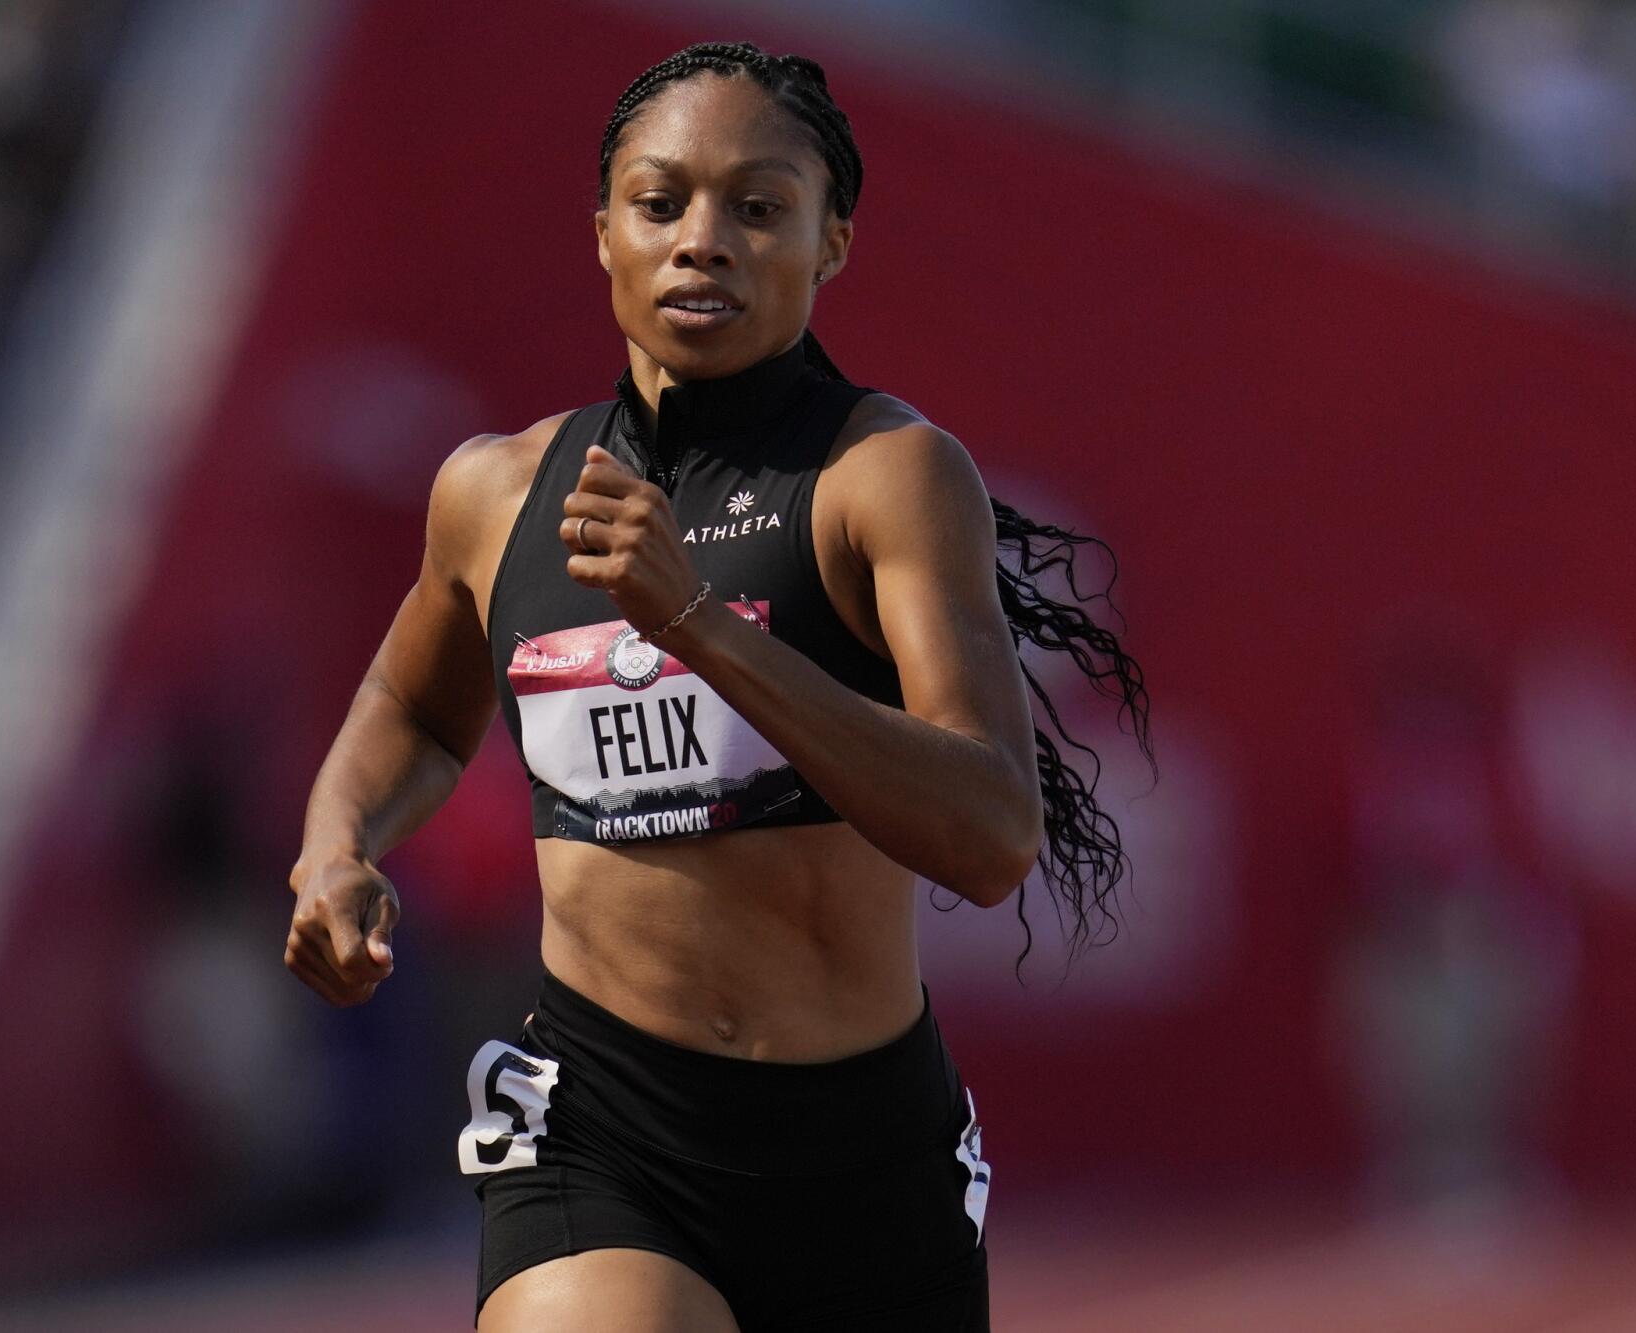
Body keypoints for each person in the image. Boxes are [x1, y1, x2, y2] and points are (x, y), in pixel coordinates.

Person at [284, 42, 1151, 1332]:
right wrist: (335, 848)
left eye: (758, 208)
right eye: (661, 203)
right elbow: (415, 711)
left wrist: (695, 622)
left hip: (861, 1150)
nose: (704, 242)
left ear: (832, 241)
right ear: (602, 236)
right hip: (602, 1124)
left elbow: (989, 833)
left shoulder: (885, 478)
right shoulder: (498, 491)